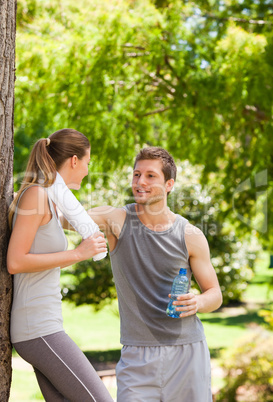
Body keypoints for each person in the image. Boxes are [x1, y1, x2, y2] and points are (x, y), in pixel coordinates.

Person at [88, 147, 223, 402]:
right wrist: (28, 196)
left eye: (150, 176)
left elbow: (215, 294)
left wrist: (198, 302)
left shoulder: (190, 235)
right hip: (136, 355)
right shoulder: (117, 220)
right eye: (137, 174)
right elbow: (67, 218)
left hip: (187, 353)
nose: (140, 182)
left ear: (169, 184)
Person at [7, 128, 113, 402]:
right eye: (88, 163)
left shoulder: (51, 200)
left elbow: (79, 218)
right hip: (37, 328)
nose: (88, 171)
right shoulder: (37, 196)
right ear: (75, 160)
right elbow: (15, 261)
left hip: (45, 324)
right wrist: (79, 254)